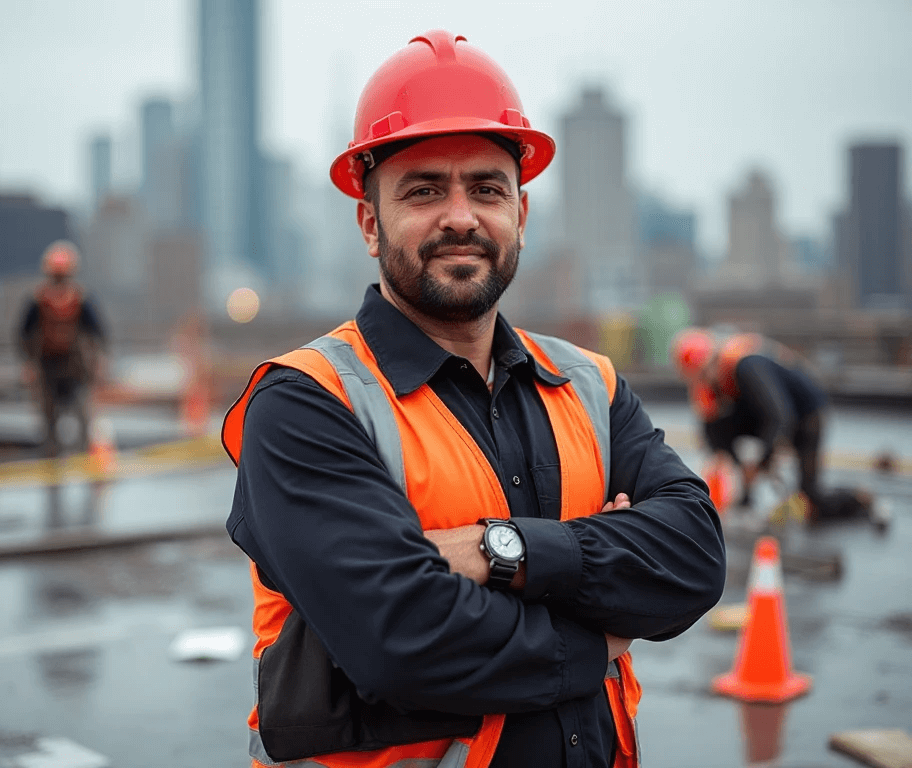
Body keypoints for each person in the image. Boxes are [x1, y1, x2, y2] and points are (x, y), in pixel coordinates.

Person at [223, 31, 726, 768]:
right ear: (370, 223)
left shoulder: (590, 383)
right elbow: (401, 639)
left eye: (487, 189)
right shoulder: (305, 403)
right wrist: (603, 626)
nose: (461, 216)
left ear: (520, 214)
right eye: (424, 188)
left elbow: (693, 556)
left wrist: (497, 552)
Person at [671, 327, 875, 524]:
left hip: (806, 416)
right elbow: (714, 429)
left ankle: (859, 499)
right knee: (719, 428)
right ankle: (745, 499)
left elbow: (779, 417)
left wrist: (763, 459)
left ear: (712, 361)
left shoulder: (748, 367)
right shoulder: (713, 383)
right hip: (767, 413)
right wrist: (725, 461)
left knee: (810, 500)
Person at [18, 240, 106, 458]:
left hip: (74, 367)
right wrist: (28, 364)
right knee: (49, 426)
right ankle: (52, 465)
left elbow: (97, 332)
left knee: (83, 420)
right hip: (48, 367)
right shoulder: (38, 300)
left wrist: (99, 360)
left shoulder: (80, 298)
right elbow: (24, 334)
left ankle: (83, 462)